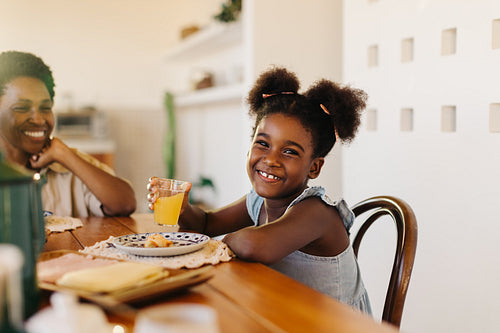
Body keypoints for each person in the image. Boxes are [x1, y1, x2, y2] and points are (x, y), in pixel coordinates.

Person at [148, 67, 371, 313]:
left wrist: (219, 244)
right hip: (283, 314)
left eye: (289, 152)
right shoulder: (258, 200)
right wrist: (183, 209)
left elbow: (255, 245)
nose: (271, 159)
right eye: (262, 144)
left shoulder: (316, 212)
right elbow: (206, 224)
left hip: (333, 324)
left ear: (314, 167)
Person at [0, 50, 136, 217]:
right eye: (21, 108)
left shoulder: (68, 164)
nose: (38, 119)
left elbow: (125, 203)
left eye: (46, 108)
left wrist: (64, 154)